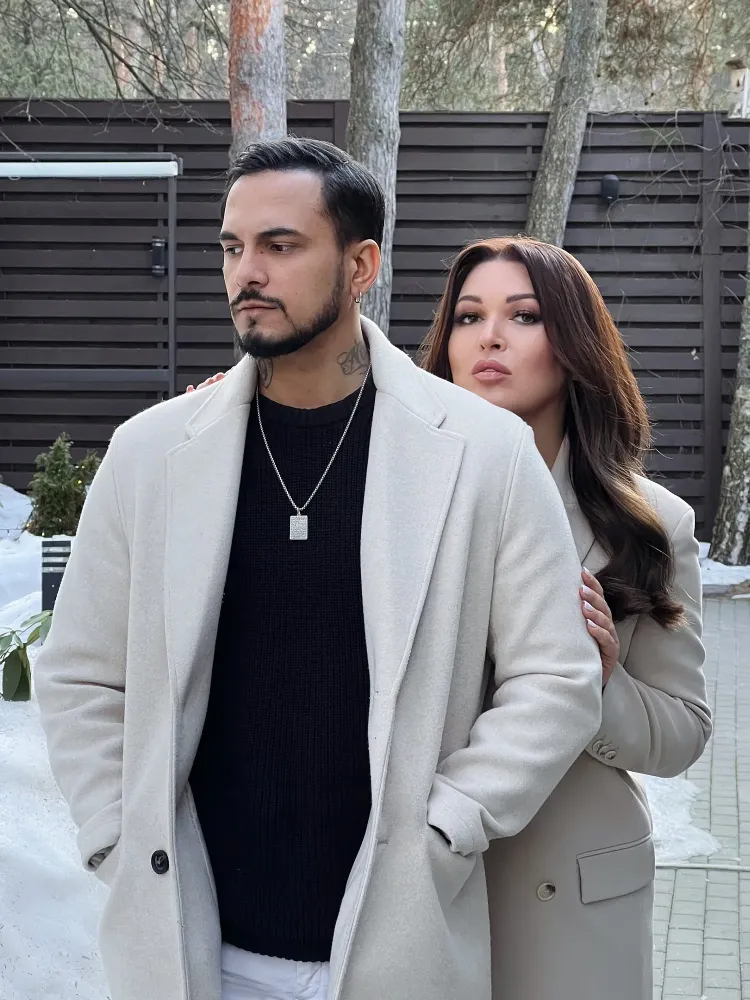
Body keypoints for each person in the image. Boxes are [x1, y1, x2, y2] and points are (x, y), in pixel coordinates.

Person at [34, 140, 602, 1000]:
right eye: (232, 247)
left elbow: (555, 677)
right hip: (191, 946)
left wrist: (447, 828)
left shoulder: (483, 452)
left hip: (397, 938)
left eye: (281, 245)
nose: (247, 273)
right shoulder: (150, 453)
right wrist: (117, 833)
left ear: (360, 264)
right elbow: (79, 674)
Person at [191, 234, 711, 1000]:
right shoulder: (370, 488)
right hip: (396, 880)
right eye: (468, 317)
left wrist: (600, 683)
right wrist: (243, 429)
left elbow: (684, 731)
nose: (490, 337)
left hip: (560, 894)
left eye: (524, 316)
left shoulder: (648, 523)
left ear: (575, 345)